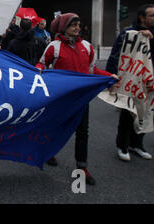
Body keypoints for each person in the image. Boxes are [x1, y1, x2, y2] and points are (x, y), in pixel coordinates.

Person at [36, 12, 118, 186]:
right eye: (73, 25)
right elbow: (42, 63)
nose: (77, 28)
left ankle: (82, 168)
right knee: (55, 127)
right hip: (60, 98)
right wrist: (38, 69)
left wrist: (108, 75)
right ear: (64, 28)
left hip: (81, 99)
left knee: (83, 133)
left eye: (78, 25)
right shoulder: (54, 46)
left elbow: (92, 70)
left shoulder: (87, 47)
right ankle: (49, 152)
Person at [106, 4, 154, 162]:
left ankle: (137, 144)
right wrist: (111, 77)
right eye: (152, 15)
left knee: (145, 113)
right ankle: (122, 145)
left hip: (148, 82)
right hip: (130, 80)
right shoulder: (128, 34)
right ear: (142, 17)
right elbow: (116, 54)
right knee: (128, 113)